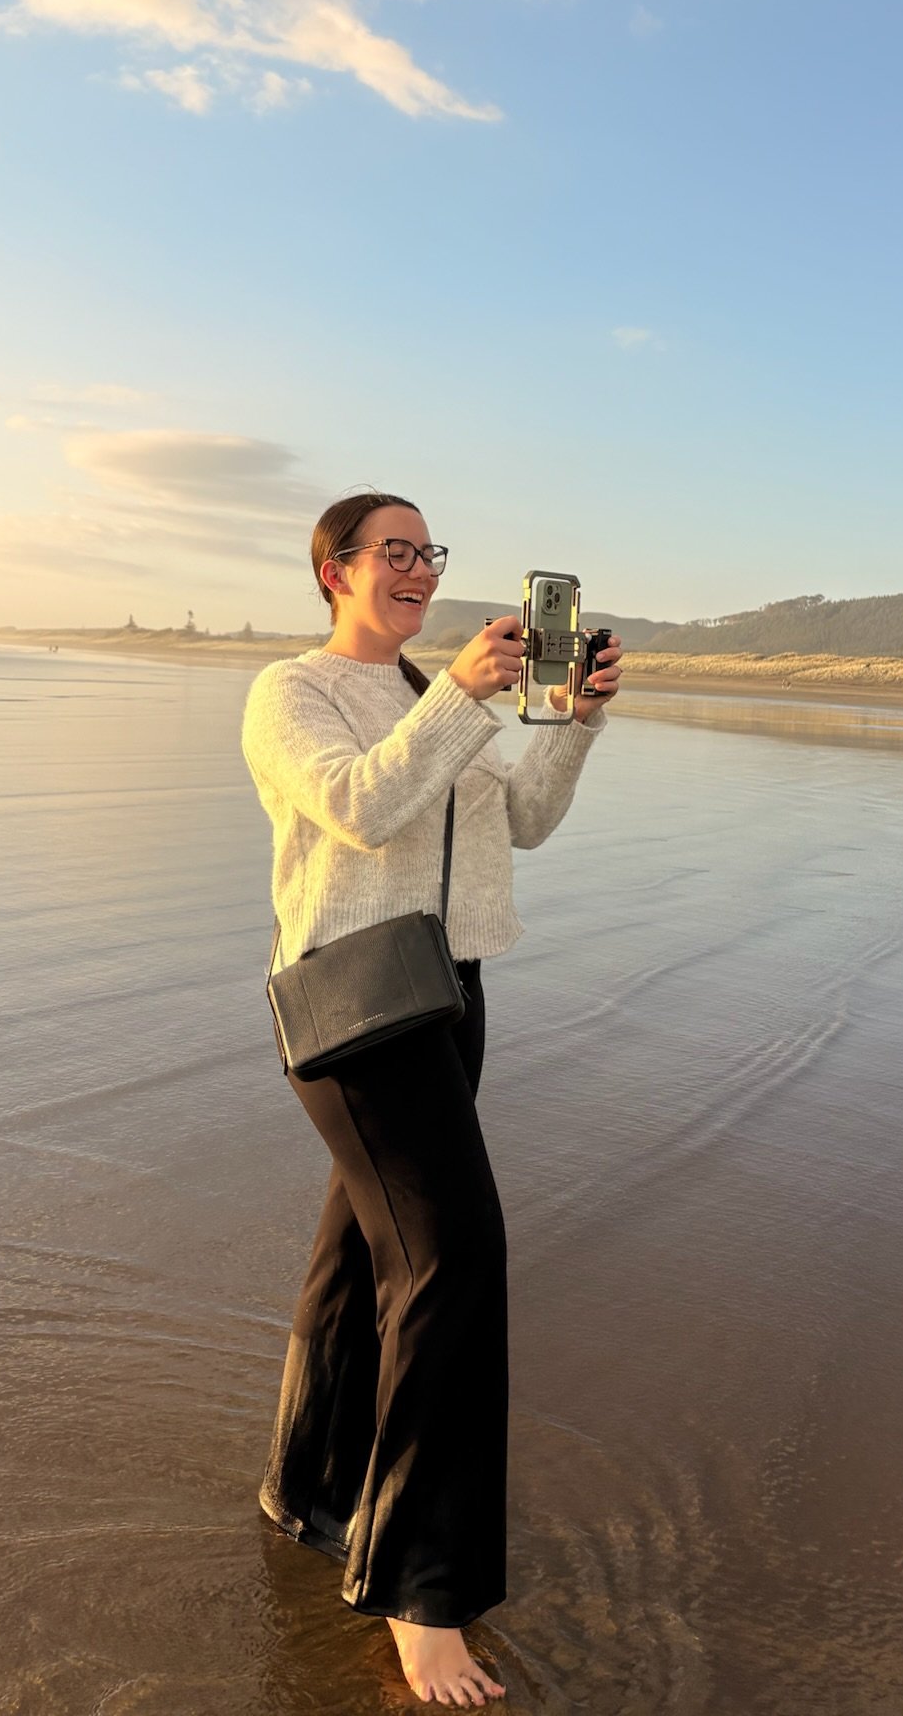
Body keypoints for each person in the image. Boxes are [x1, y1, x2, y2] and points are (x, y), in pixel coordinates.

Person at [240, 491, 623, 1707]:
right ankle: (421, 1590)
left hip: (446, 992)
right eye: (391, 552)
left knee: (365, 1252)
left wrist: (573, 719)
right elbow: (359, 805)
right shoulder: (292, 693)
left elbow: (525, 819)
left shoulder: (424, 695)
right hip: (354, 1000)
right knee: (454, 1257)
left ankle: (307, 1483)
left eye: (427, 552)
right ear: (334, 572)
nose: (415, 568)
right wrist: (459, 696)